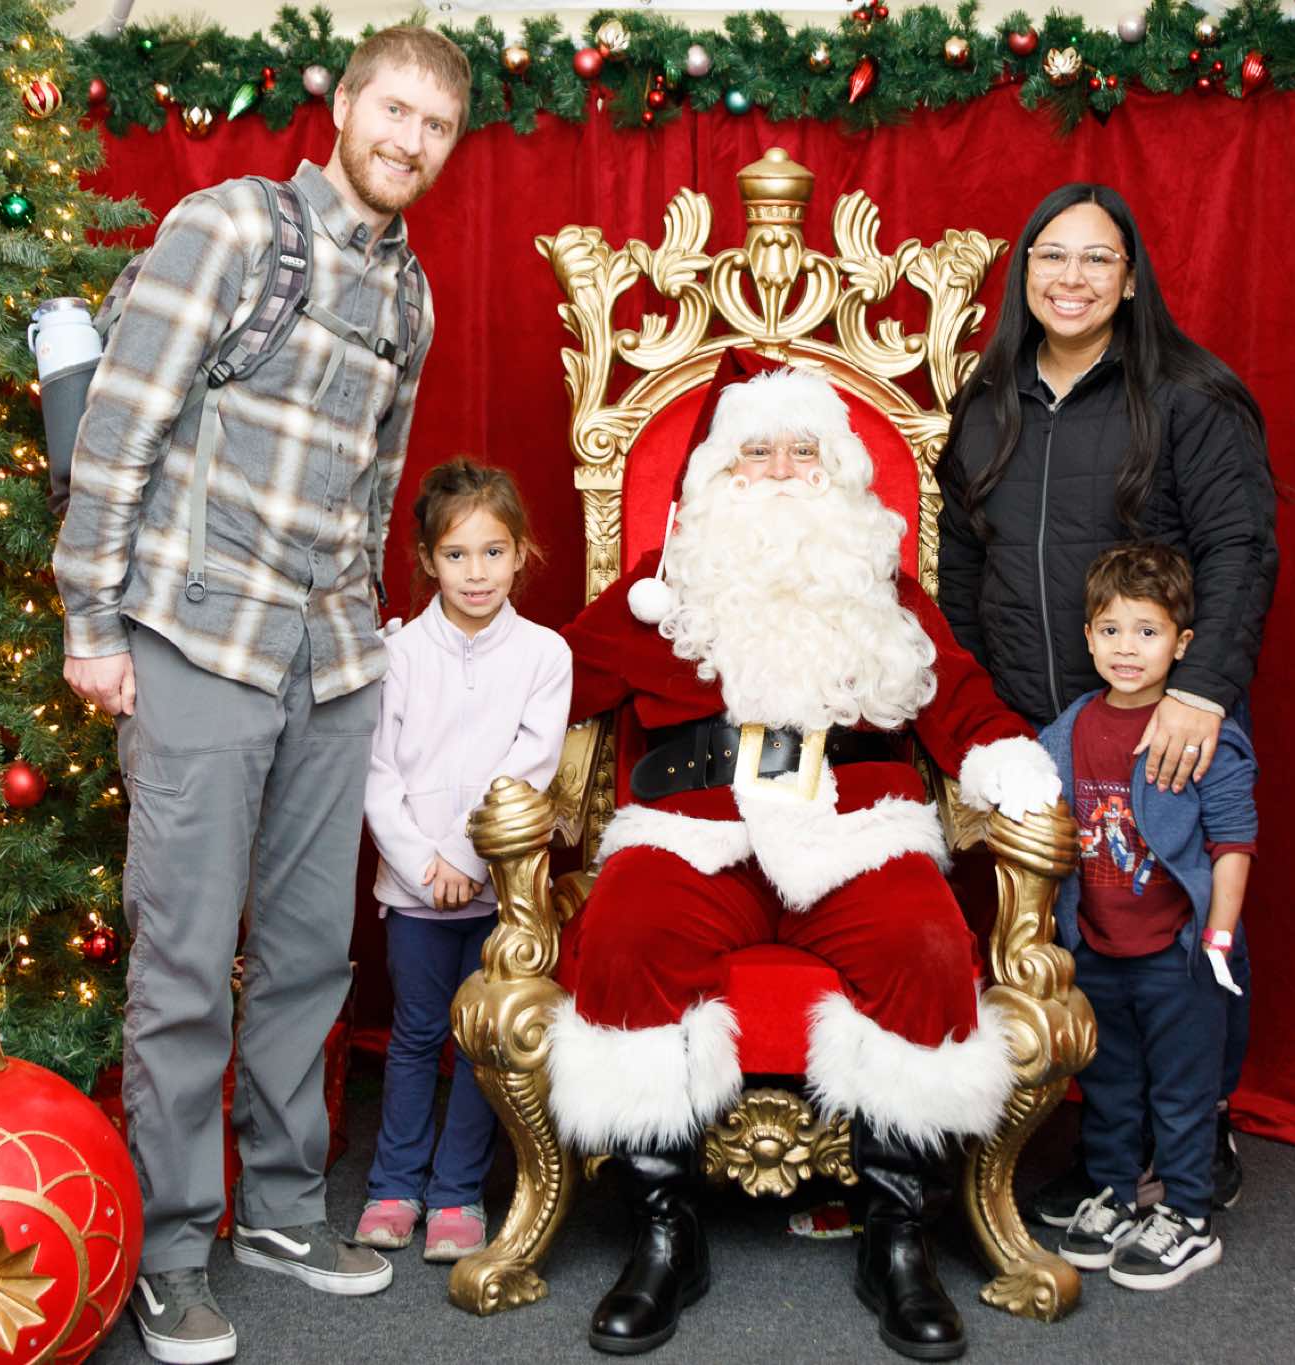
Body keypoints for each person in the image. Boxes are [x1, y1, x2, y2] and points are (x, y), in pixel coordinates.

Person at [51, 25, 468, 1364]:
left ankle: (283, 1210)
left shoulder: (412, 296)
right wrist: (92, 624)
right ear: (342, 105)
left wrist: (363, 643)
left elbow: (379, 487)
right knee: (183, 963)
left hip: (329, 660)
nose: (408, 141)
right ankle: (172, 1249)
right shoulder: (230, 229)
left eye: (435, 127)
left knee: (306, 955)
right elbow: (117, 432)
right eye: (392, 110)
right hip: (199, 639)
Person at [554, 365, 1062, 1360]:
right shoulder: (661, 586)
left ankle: (896, 1234)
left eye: (803, 451)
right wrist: (459, 673)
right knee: (626, 931)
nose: (782, 471)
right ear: (719, 472)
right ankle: (665, 1230)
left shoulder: (881, 590)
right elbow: (549, 682)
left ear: (838, 471)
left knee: (924, 942)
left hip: (854, 829)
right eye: (757, 451)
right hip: (695, 830)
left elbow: (958, 697)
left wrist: (1005, 764)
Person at [935, 184, 1277, 1222]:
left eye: (1096, 259)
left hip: (1164, 725)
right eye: (1051, 256)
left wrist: (1202, 692)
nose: (1071, 278)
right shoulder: (986, 402)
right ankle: (1106, 1144)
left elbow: (1239, 547)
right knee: (1082, 935)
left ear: (1129, 279)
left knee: (1178, 936)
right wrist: (983, 716)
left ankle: (1197, 1131)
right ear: (1023, 273)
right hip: (1042, 734)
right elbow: (960, 570)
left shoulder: (1186, 397)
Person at [355, 459, 571, 1262]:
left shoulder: (544, 654)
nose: (475, 572)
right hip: (414, 891)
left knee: (484, 1042)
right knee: (415, 1034)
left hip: (498, 890)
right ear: (426, 559)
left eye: (492, 551)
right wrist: (425, 864)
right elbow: (377, 775)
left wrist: (468, 860)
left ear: (520, 553)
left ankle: (456, 1194)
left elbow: (528, 767)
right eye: (456, 554)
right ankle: (394, 1185)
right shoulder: (398, 654)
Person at [1039, 543, 1256, 1290]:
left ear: (1182, 643)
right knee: (1109, 1083)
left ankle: (1188, 1215)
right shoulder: (1071, 727)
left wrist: (1218, 937)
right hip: (1099, 947)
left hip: (1178, 952)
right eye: (1110, 630)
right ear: (1088, 636)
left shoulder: (1198, 731)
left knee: (1181, 1090)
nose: (1126, 648)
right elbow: (1036, 800)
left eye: (1147, 631)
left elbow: (1233, 841)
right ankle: (1116, 1193)